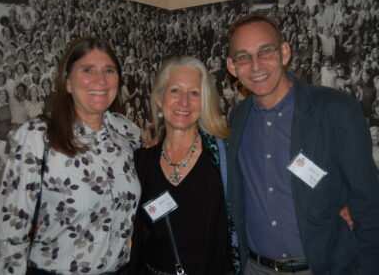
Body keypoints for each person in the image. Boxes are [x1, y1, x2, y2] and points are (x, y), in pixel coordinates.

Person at [225, 15, 379, 275]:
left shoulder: (336, 110)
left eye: (266, 52)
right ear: (232, 66)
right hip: (254, 267)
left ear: (285, 52)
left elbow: (369, 203)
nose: (256, 65)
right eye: (243, 57)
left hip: (322, 268)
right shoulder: (238, 117)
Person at [0, 37, 141, 274]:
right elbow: (9, 236)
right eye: (88, 70)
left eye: (109, 70)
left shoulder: (127, 134)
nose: (100, 80)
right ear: (68, 82)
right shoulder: (37, 137)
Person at [130, 56, 236, 274]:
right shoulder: (141, 161)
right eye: (175, 91)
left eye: (194, 93)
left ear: (204, 101)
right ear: (160, 98)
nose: (184, 102)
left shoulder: (223, 157)